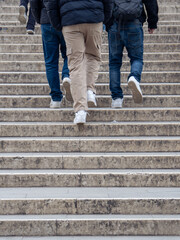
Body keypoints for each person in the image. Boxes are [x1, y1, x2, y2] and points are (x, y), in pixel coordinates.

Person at [44, 0, 113, 124]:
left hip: (70, 20)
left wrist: (58, 23)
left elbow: (51, 3)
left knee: (76, 64)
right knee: (93, 56)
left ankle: (80, 111)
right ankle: (89, 90)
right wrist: (104, 18)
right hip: (94, 17)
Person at [106, 0, 158, 108]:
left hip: (115, 24)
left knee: (114, 63)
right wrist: (152, 22)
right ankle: (134, 76)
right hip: (134, 23)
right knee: (137, 58)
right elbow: (151, 2)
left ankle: (116, 98)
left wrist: (107, 22)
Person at [30, 0, 71, 108]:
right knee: (69, 54)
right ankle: (66, 75)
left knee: (50, 61)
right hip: (65, 19)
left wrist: (40, 18)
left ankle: (56, 98)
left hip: (46, 19)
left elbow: (34, 3)